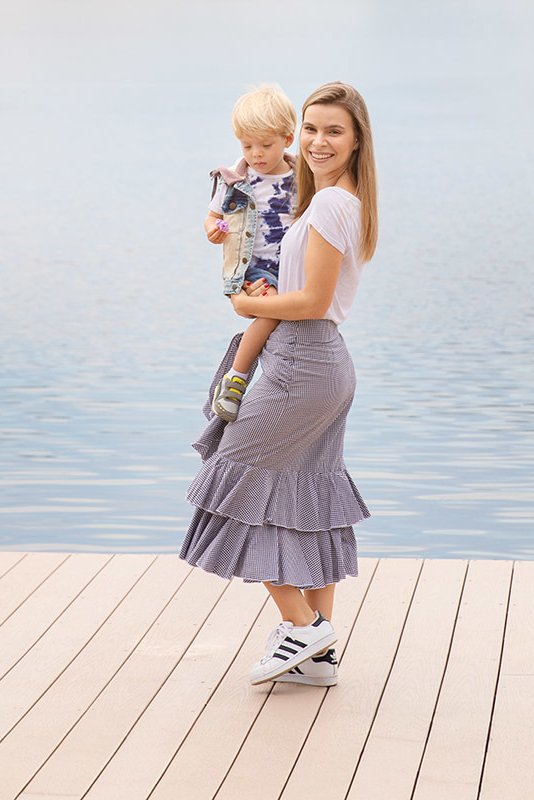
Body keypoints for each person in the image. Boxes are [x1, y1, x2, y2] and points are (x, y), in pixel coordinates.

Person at [181, 81, 378, 687]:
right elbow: (262, 182)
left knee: (234, 481)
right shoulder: (329, 200)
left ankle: (304, 627)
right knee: (305, 499)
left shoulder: (330, 207)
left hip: (302, 366)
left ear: (355, 141)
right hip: (320, 365)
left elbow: (314, 299)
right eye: (312, 129)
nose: (319, 142)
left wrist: (245, 306)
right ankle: (317, 658)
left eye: (333, 132)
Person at [203, 84, 298, 422]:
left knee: (295, 316)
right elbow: (214, 217)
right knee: (270, 312)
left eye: (266, 145)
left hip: (295, 266)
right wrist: (214, 231)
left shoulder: (303, 177)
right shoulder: (237, 180)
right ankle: (236, 379)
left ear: (288, 139)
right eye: (247, 145)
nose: (256, 154)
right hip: (257, 269)